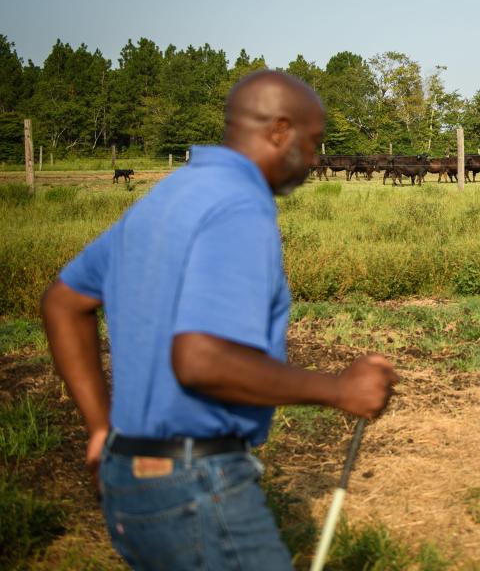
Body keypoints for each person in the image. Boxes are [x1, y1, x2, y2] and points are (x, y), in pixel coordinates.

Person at [41, 70, 398, 570]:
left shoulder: (169, 196)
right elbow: (201, 360)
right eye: (313, 142)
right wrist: (339, 389)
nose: (316, 159)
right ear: (278, 130)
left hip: (130, 481)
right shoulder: (240, 205)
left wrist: (101, 428)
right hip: (196, 486)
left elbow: (63, 301)